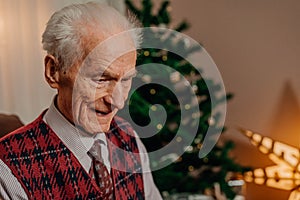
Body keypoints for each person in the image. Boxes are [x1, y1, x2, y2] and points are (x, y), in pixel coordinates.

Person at [0, 2, 162, 200]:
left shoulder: (130, 139)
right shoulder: (6, 168)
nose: (118, 101)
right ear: (54, 72)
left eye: (126, 79)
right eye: (101, 79)